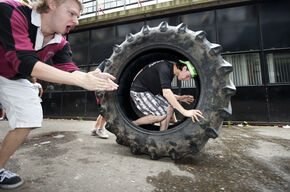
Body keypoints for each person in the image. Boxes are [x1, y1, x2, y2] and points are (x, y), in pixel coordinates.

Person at [0, 0, 118, 189]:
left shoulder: (60, 42)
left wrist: (88, 76)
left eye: (78, 16)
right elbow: (24, 62)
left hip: (12, 77)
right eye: (71, 13)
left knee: (29, 116)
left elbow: (69, 69)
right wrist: (81, 80)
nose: (76, 21)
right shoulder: (11, 11)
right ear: (51, 4)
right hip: (15, 68)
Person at [130, 60, 204, 131]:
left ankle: (162, 135)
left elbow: (164, 93)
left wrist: (180, 98)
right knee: (161, 115)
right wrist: (185, 112)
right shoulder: (165, 68)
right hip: (139, 91)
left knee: (169, 109)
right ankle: (132, 125)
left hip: (151, 93)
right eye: (188, 76)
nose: (187, 79)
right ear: (184, 68)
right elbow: (166, 93)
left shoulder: (170, 72)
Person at [91, 61, 109, 139]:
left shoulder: (106, 62)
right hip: (102, 89)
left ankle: (95, 129)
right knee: (106, 110)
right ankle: (100, 129)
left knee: (103, 111)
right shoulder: (106, 62)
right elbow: (95, 73)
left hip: (103, 89)